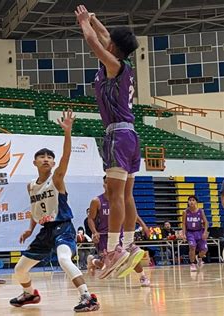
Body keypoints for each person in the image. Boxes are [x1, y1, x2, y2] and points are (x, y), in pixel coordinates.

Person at [9, 110, 99, 312]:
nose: (46, 159)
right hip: (45, 230)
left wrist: (67, 132)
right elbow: (36, 209)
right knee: (20, 269)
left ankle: (88, 297)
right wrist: (30, 229)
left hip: (63, 227)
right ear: (35, 162)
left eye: (50, 157)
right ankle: (30, 294)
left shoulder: (57, 178)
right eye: (42, 157)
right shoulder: (31, 185)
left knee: (63, 259)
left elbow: (66, 156)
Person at [76, 5, 143, 279]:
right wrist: (95, 19)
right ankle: (128, 244)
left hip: (117, 134)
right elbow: (102, 35)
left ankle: (114, 249)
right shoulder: (121, 63)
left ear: (113, 47)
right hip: (131, 136)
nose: (106, 42)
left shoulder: (113, 65)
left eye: (109, 43)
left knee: (115, 195)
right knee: (126, 195)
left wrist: (83, 23)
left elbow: (94, 41)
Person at [87, 178, 151, 286]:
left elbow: (132, 214)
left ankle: (143, 277)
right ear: (104, 184)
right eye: (107, 182)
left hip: (120, 235)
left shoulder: (121, 200)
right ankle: (92, 260)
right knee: (105, 265)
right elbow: (90, 219)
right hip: (104, 237)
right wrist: (94, 232)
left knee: (131, 256)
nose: (109, 184)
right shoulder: (97, 201)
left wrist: (143, 225)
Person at [182, 195, 209, 272]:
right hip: (190, 232)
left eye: (193, 200)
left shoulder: (201, 211)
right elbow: (184, 224)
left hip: (200, 231)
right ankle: (192, 264)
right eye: (190, 200)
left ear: (196, 202)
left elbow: (206, 222)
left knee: (204, 250)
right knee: (192, 247)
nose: (191, 201)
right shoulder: (185, 212)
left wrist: (205, 232)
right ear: (188, 202)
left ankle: (199, 258)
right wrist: (184, 234)